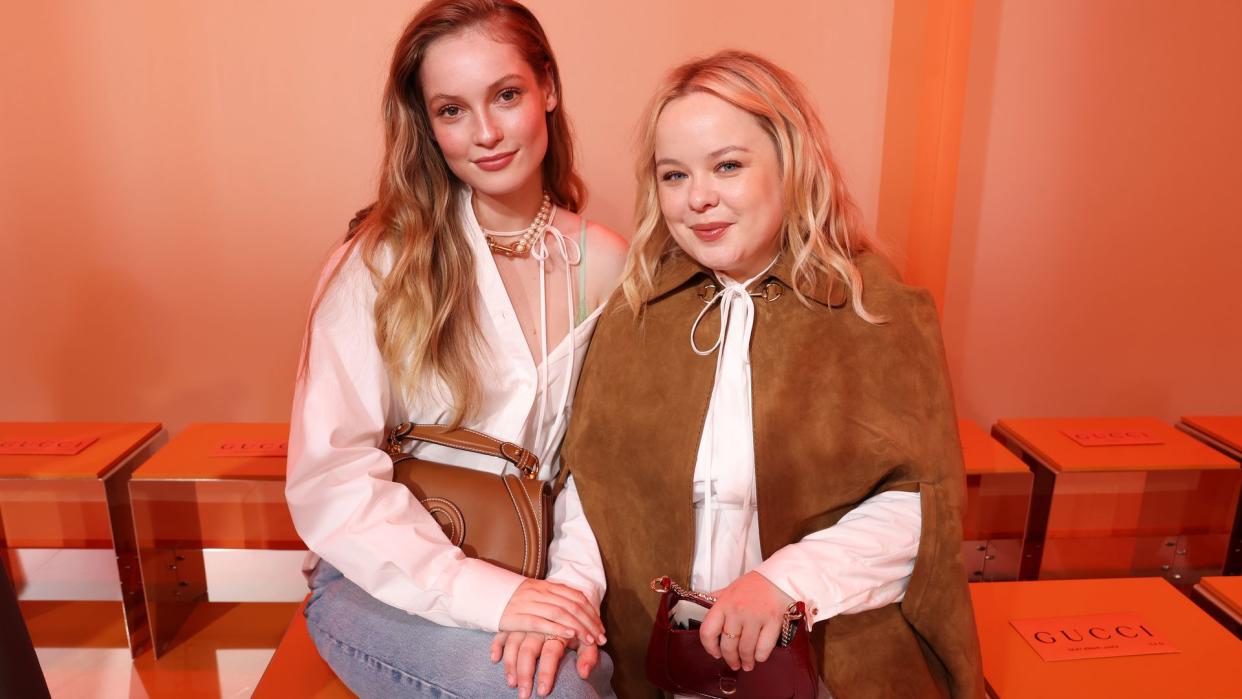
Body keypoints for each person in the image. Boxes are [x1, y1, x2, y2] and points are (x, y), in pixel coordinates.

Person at [560, 51, 985, 697]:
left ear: (791, 164)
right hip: (664, 667)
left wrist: (785, 580)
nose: (698, 197)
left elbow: (925, 505)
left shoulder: (877, 306)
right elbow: (590, 491)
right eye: (674, 174)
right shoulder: (635, 311)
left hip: (830, 663)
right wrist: (569, 592)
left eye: (727, 165)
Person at [285, 1, 627, 697]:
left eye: (506, 95)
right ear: (427, 125)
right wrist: (489, 596)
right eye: (452, 110)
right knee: (551, 692)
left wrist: (567, 590)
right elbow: (333, 476)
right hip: (386, 582)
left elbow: (608, 465)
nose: (487, 133)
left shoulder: (607, 261)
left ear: (548, 89)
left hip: (549, 572)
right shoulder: (379, 262)